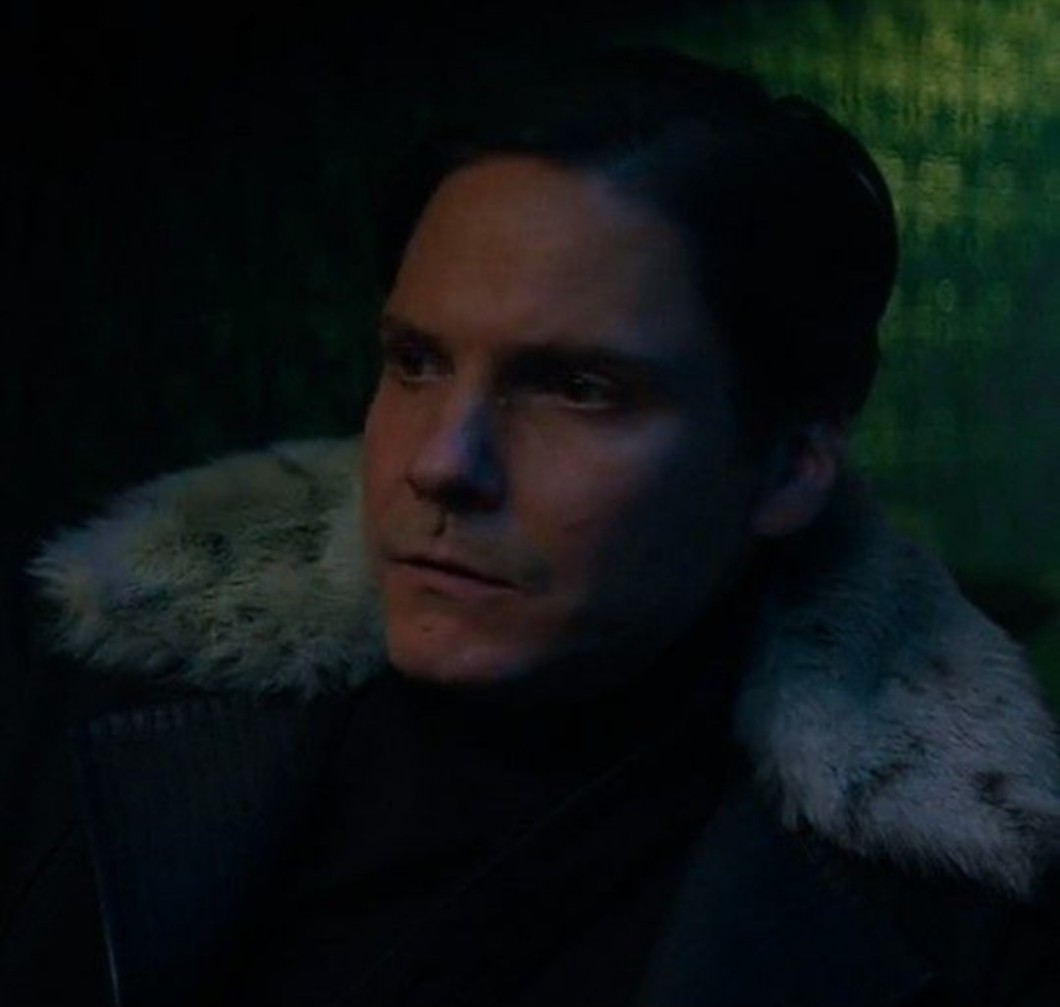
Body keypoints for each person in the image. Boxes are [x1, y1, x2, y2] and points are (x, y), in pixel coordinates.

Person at [2, 47, 1058, 1006]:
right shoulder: (95, 695)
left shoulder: (954, 910)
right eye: (415, 361)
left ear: (790, 464)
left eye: (579, 388)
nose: (439, 462)